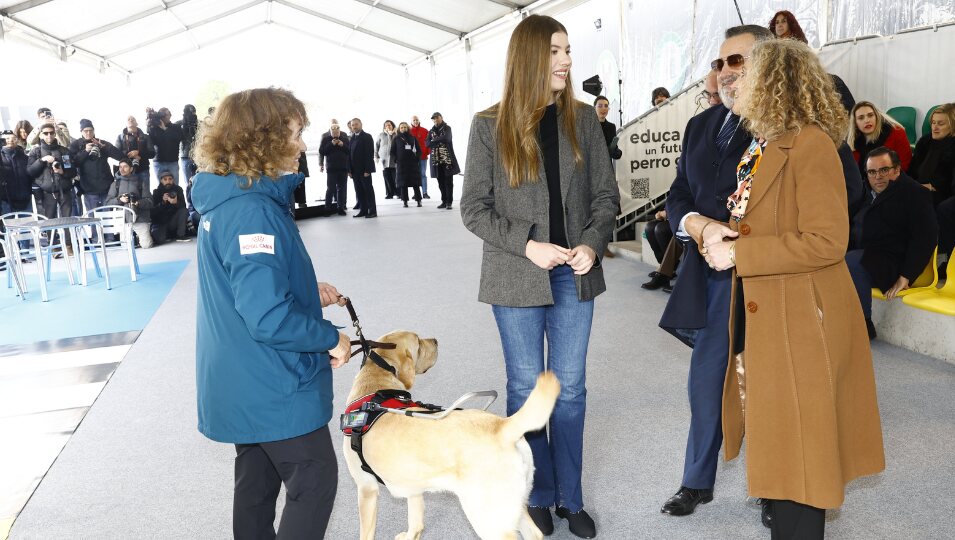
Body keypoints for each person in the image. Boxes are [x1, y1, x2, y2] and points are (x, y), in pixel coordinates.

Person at [704, 37, 885, 539]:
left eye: (747, 74)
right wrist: (714, 230)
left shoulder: (810, 144)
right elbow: (764, 221)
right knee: (784, 462)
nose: (733, 82)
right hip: (771, 319)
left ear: (773, 83)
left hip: (803, 324)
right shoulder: (764, 145)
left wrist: (741, 253)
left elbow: (828, 241)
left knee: (803, 471)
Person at [460, 15, 619, 539]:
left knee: (570, 390)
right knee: (527, 389)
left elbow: (605, 197)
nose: (567, 60)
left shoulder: (583, 120)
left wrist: (592, 245)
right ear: (530, 56)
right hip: (516, 274)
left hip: (575, 274)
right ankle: (538, 493)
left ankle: (571, 498)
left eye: (568, 50)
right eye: (555, 51)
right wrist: (527, 245)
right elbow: (474, 209)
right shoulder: (489, 125)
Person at [191, 87, 352, 540]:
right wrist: (329, 337)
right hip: (269, 381)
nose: (302, 144)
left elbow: (246, 285)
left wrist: (305, 290)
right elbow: (266, 317)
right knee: (315, 479)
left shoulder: (232, 202)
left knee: (257, 482)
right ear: (261, 140)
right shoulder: (251, 212)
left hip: (242, 376)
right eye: (296, 133)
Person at [658, 24, 772, 523]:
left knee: (766, 385)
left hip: (769, 278)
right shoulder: (700, 127)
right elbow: (677, 194)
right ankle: (696, 482)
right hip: (709, 277)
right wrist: (700, 226)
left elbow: (843, 198)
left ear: (767, 64)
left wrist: (742, 238)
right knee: (705, 383)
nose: (725, 72)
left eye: (738, 61)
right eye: (721, 62)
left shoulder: (786, 127)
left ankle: (775, 487)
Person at [846, 147, 937, 339]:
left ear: (897, 169)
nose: (877, 176)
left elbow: (925, 238)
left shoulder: (915, 193)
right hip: (867, 257)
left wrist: (907, 275)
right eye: (872, 172)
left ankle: (864, 324)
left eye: (884, 170)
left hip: (894, 261)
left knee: (851, 261)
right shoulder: (865, 193)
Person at [909, 103, 955, 277]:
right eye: (933, 123)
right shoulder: (924, 142)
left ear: (952, 125)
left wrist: (931, 186)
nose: (935, 127)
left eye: (941, 123)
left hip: (941, 193)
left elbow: (949, 182)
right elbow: (912, 172)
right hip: (920, 189)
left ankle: (938, 260)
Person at [70, 119, 124, 212]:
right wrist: (85, 151)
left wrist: (104, 147)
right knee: (93, 220)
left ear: (94, 131)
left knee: (108, 219)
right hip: (89, 189)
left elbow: (121, 157)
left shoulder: (101, 142)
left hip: (106, 187)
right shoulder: (76, 145)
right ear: (81, 131)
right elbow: (73, 164)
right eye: (85, 131)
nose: (88, 133)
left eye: (90, 130)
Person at [849, 101, 913, 179]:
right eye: (861, 118)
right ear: (855, 123)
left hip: (893, 182)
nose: (867, 120)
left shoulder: (897, 132)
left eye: (870, 115)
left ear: (877, 116)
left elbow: (905, 165)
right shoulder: (852, 140)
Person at [106, 159, 154, 249]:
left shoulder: (141, 182)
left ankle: (145, 236)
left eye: (125, 167)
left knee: (147, 245)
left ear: (131, 169)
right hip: (123, 220)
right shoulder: (115, 184)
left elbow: (150, 202)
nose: (122, 169)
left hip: (140, 218)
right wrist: (119, 199)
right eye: (120, 167)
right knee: (126, 247)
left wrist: (138, 203)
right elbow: (108, 203)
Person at [427, 112, 460, 209]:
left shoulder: (447, 128)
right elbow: (427, 143)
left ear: (441, 118)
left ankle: (449, 202)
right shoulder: (431, 131)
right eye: (433, 119)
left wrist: (433, 141)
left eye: (437, 118)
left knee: (448, 182)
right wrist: (437, 141)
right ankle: (444, 201)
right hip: (436, 161)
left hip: (447, 160)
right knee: (440, 182)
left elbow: (447, 138)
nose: (435, 120)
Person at [115, 115, 154, 194]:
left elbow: (152, 153)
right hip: (127, 172)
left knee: (145, 193)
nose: (130, 120)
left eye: (133, 119)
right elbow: (116, 154)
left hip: (143, 170)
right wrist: (129, 155)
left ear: (137, 123)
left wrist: (139, 153)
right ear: (126, 124)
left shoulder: (146, 137)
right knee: (129, 195)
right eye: (128, 119)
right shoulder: (120, 137)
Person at [147, 107, 184, 187]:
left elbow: (178, 138)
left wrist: (164, 129)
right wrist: (149, 125)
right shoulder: (154, 129)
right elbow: (151, 142)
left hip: (172, 161)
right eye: (161, 115)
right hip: (158, 162)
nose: (163, 117)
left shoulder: (176, 127)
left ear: (170, 115)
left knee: (175, 186)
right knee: (161, 187)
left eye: (165, 115)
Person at [151, 170, 191, 243]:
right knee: (159, 240)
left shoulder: (178, 189)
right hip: (162, 222)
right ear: (161, 181)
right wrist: (163, 202)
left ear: (173, 180)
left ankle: (180, 235)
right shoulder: (156, 192)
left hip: (174, 221)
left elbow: (184, 207)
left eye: (170, 179)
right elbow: (153, 213)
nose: (168, 181)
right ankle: (168, 234)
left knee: (184, 211)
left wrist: (176, 203)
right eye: (165, 179)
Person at [348, 117, 377, 218]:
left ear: (361, 124)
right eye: (353, 125)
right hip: (354, 171)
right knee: (359, 191)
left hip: (364, 170)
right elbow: (349, 155)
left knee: (368, 190)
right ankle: (363, 210)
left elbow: (369, 154)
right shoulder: (352, 138)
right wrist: (349, 170)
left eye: (356, 124)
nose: (354, 126)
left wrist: (367, 170)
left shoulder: (367, 137)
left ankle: (372, 211)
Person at [319, 121, 349, 215]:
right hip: (331, 168)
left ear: (340, 131)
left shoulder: (345, 138)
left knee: (342, 189)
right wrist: (331, 144)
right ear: (331, 132)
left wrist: (342, 145)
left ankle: (340, 208)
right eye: (334, 132)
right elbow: (322, 151)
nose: (336, 134)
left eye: (337, 132)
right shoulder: (325, 139)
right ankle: (327, 209)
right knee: (330, 189)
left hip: (343, 168)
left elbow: (350, 151)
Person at [1, 129, 33, 213]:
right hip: (6, 201)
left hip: (25, 200)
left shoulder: (24, 157)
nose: (10, 141)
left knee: (28, 225)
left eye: (13, 138)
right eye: (7, 139)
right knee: (9, 225)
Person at [391, 121, 422, 207]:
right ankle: (405, 201)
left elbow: (419, 150)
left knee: (416, 184)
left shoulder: (413, 138)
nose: (403, 129)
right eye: (401, 127)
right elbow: (392, 152)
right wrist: (396, 160)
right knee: (403, 184)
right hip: (402, 164)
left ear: (408, 128)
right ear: (399, 129)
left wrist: (417, 159)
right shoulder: (396, 139)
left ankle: (418, 200)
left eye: (405, 127)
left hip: (413, 164)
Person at [593, 95, 622, 160]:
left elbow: (614, 148)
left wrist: (616, 153)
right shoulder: (588, 126)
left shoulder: (611, 127)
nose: (603, 108)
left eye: (606, 106)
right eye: (600, 106)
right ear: (594, 108)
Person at [410, 115, 431, 198]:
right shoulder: (409, 131)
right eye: (414, 120)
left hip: (422, 156)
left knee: (422, 174)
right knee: (414, 175)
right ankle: (416, 193)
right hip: (412, 158)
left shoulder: (425, 130)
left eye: (417, 120)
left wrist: (427, 152)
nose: (415, 121)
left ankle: (425, 192)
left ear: (419, 121)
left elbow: (428, 142)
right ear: (411, 122)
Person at [376, 120, 397, 199]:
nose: (388, 126)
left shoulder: (396, 134)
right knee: (387, 178)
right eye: (386, 125)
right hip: (384, 160)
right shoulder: (381, 135)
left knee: (396, 177)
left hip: (395, 160)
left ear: (392, 125)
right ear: (384, 127)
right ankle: (389, 193)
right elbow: (376, 147)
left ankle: (398, 193)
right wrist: (376, 157)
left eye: (389, 125)